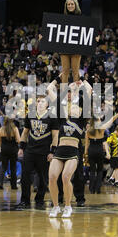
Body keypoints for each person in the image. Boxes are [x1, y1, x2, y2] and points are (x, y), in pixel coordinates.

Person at [47, 79, 92, 218]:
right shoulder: (62, 117)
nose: (73, 107)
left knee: (66, 177)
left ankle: (67, 206)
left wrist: (81, 79)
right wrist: (59, 79)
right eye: (71, 106)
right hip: (59, 151)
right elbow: (49, 90)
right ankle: (55, 207)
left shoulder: (82, 119)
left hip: (73, 152)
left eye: (76, 107)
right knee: (52, 177)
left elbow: (89, 90)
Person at [17, 94, 59, 210]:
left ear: (47, 104)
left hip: (44, 152)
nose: (40, 103)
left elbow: (55, 135)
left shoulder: (52, 117)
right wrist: (21, 147)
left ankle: (39, 200)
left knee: (43, 178)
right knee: (25, 176)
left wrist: (52, 151)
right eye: (38, 101)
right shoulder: (30, 115)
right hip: (30, 151)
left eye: (42, 101)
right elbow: (25, 133)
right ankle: (24, 201)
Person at [84, 113, 118, 194]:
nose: (101, 120)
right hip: (99, 150)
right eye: (100, 119)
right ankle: (98, 189)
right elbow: (111, 120)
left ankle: (91, 189)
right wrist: (117, 114)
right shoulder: (102, 128)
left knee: (92, 170)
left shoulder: (88, 131)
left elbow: (86, 145)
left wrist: (85, 154)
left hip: (91, 150)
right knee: (100, 170)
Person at [0, 117, 20, 190]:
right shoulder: (15, 128)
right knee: (13, 168)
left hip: (4, 149)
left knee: (3, 167)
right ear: (12, 120)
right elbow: (18, 140)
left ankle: (0, 183)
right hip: (13, 149)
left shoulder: (1, 129)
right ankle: (14, 185)